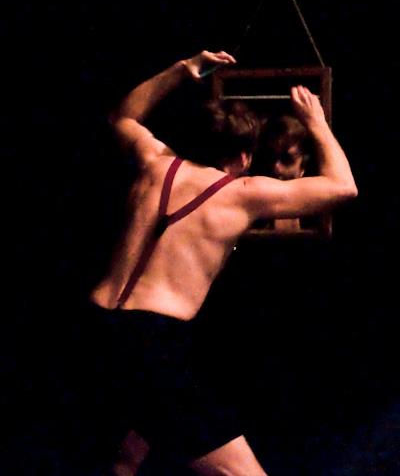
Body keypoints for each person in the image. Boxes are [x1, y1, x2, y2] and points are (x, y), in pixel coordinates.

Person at [87, 50, 357, 475]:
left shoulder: (155, 162)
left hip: (95, 329)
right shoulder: (240, 193)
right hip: (151, 341)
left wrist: (182, 69)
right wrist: (316, 122)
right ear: (244, 157)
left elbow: (123, 116)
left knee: (127, 457)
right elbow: (343, 188)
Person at [253, 114, 312, 232]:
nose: (276, 168)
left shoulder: (319, 214)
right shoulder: (251, 211)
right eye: (270, 157)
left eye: (286, 159)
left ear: (304, 164)